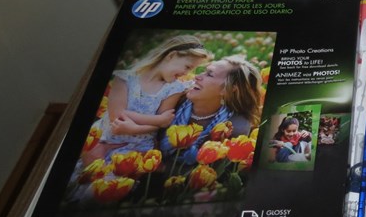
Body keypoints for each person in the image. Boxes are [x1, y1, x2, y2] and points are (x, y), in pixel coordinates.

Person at [81, 35, 212, 165]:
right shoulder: (124, 78)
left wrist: (135, 129)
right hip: (105, 140)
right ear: (171, 56)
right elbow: (117, 115)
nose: (187, 73)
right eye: (188, 67)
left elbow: (158, 127)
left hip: (138, 148)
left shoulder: (173, 88)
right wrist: (158, 120)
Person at [159, 55, 263, 166]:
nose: (197, 77)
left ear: (228, 88)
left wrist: (164, 170)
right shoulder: (173, 99)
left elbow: (217, 170)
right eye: (204, 71)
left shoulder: (234, 126)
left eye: (209, 74)